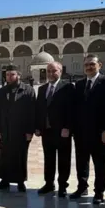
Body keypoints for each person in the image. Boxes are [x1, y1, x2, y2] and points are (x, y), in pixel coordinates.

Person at [72, 55, 105, 204]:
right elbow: (75, 108)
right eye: (87, 65)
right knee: (81, 162)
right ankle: (82, 187)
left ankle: (99, 192)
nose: (89, 67)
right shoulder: (79, 84)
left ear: (99, 65)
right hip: (81, 132)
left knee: (99, 163)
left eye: (92, 64)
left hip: (99, 132)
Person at [0, 64, 35, 192]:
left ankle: (20, 181)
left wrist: (30, 131)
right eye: (7, 75)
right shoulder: (0, 92)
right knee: (5, 155)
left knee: (20, 155)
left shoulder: (28, 90)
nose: (9, 77)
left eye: (12, 75)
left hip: (21, 130)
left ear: (18, 75)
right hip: (5, 129)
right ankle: (5, 179)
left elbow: (32, 112)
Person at [35, 62, 74, 197]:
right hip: (47, 131)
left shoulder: (67, 87)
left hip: (62, 131)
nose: (51, 73)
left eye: (54, 71)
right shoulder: (42, 89)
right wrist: (38, 127)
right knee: (49, 158)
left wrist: (68, 127)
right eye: (49, 71)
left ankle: (63, 185)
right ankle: (49, 183)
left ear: (60, 71)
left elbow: (71, 110)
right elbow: (39, 110)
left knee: (63, 159)